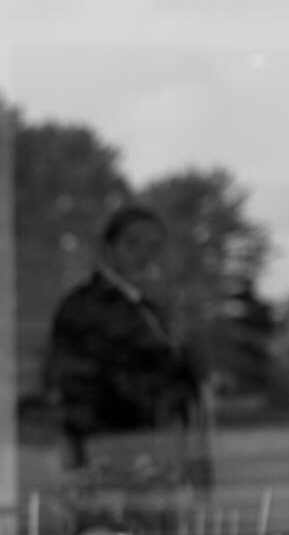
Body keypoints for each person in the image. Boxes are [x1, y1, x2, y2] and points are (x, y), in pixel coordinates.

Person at [45, 204, 207, 480]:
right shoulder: (86, 307)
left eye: (153, 246)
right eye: (133, 243)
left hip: (153, 448)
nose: (144, 255)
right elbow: (80, 386)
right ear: (109, 248)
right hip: (112, 451)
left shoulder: (149, 309)